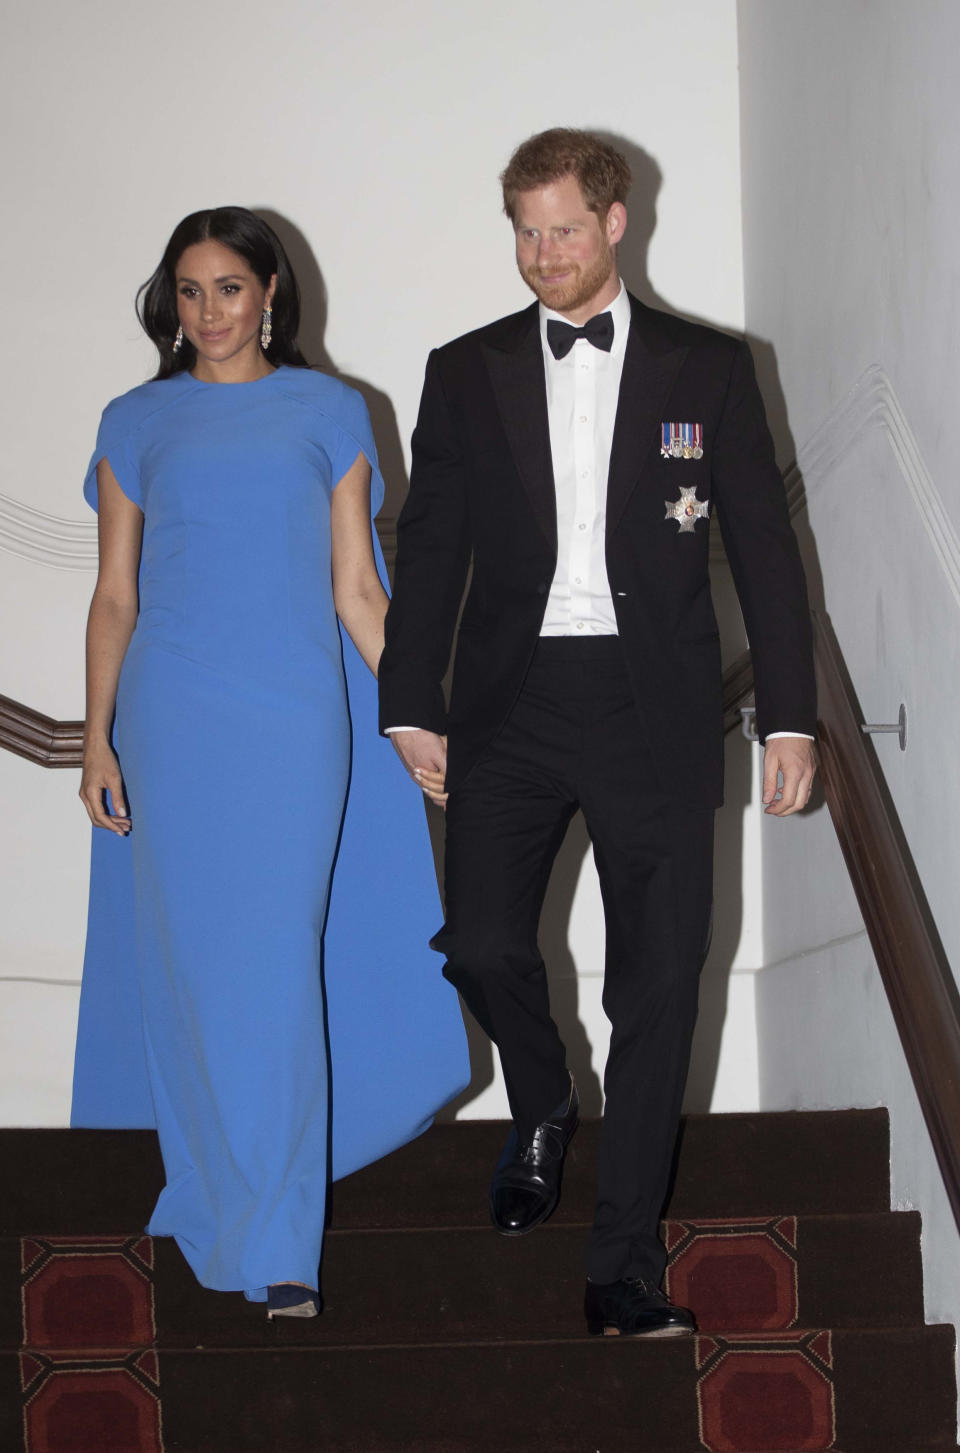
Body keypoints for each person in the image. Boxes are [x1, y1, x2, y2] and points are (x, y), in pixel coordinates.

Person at [378, 130, 817, 1338]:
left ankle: (621, 1265)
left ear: (617, 222)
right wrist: (409, 700)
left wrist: (789, 713)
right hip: (509, 707)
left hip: (655, 711)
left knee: (661, 983)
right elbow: (431, 550)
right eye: (524, 231)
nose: (542, 255)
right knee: (475, 940)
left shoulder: (708, 368)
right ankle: (541, 1100)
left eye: (564, 229)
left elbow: (770, 562)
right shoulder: (464, 371)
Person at [74, 206, 468, 1319]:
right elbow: (115, 594)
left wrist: (418, 715)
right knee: (194, 974)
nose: (208, 312)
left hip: (293, 721)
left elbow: (359, 592)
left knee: (280, 970)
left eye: (229, 289)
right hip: (171, 720)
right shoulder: (134, 419)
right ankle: (209, 1198)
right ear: (171, 303)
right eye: (189, 292)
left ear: (271, 296)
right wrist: (98, 733)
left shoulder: (330, 410)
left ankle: (286, 1239)